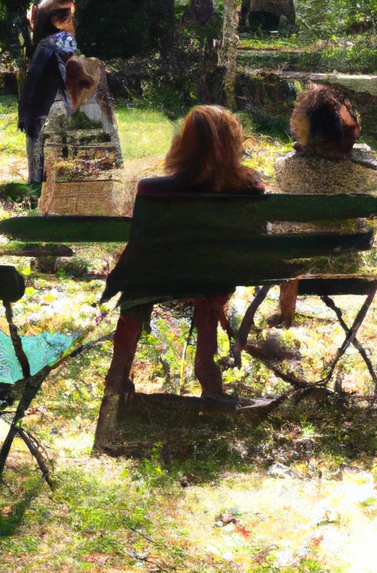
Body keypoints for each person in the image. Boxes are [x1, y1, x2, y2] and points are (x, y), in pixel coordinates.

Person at [104, 106, 265, 401]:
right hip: (214, 279)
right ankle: (208, 376)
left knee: (138, 282)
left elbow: (138, 241)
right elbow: (255, 238)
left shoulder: (151, 190)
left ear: (182, 145)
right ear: (234, 146)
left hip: (153, 278)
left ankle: (117, 374)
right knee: (209, 287)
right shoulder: (251, 191)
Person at [271, 83, 376, 326]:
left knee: (288, 236)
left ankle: (286, 313)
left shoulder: (285, 168)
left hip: (296, 267)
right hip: (351, 266)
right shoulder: (363, 172)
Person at [18, 0, 105, 183]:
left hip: (38, 105)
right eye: (70, 16)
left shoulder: (45, 44)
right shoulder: (62, 40)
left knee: (38, 151)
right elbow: (70, 65)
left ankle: (37, 183)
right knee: (50, 150)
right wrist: (87, 77)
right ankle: (42, 184)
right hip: (48, 104)